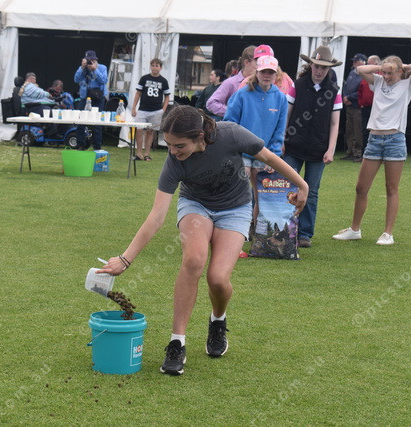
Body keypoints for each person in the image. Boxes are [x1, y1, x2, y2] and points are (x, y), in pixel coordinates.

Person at [97, 106, 308, 376]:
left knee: (218, 279)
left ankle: (218, 319)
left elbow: (267, 156)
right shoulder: (174, 162)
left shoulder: (231, 134)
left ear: (199, 136)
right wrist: (125, 259)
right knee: (194, 260)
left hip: (235, 207)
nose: (173, 151)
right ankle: (177, 342)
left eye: (179, 145)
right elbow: (156, 217)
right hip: (195, 205)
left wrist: (302, 185)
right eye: (168, 144)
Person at [333, 56, 411, 245]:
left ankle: (387, 234)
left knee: (391, 188)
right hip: (374, 139)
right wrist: (383, 67)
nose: (386, 76)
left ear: (400, 71)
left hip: (395, 139)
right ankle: (354, 230)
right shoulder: (378, 81)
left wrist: (400, 66)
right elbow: (360, 70)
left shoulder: (408, 85)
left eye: (391, 73)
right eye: (384, 72)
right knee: (361, 188)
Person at [283, 46, 343, 248]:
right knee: (288, 186)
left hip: (319, 149)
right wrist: (282, 139)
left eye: (324, 68)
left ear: (329, 69)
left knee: (312, 191)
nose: (319, 71)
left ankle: (305, 234)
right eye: (317, 66)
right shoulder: (298, 85)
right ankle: (284, 228)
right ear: (311, 65)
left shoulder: (334, 91)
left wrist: (331, 148)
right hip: (293, 145)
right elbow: (287, 113)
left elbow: (335, 123)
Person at [225, 55, 288, 235]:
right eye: (263, 71)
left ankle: (257, 233)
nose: (267, 75)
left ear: (276, 74)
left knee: (262, 196)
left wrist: (273, 157)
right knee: (241, 194)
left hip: (264, 154)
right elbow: (230, 123)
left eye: (271, 72)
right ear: (257, 72)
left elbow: (279, 131)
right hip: (242, 153)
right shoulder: (242, 94)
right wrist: (235, 151)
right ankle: (238, 231)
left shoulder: (281, 98)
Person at [131, 58, 171, 161]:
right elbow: (138, 93)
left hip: (156, 110)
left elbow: (167, 96)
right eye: (152, 65)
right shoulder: (144, 78)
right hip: (143, 109)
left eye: (156, 66)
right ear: (150, 67)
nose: (154, 67)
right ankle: (139, 153)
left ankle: (147, 154)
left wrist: (163, 109)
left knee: (151, 132)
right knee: (139, 130)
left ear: (160, 68)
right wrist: (134, 107)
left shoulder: (163, 81)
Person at [206, 45, 257, 118]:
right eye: (257, 63)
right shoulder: (231, 83)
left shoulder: (265, 84)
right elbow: (211, 103)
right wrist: (233, 112)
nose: (261, 66)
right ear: (246, 62)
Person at [74, 50, 108, 150]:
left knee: (97, 123)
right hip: (85, 97)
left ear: (96, 60)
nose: (90, 62)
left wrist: (95, 70)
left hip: (98, 98)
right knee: (80, 121)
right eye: (88, 60)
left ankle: (97, 147)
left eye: (92, 60)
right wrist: (82, 67)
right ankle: (81, 145)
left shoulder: (102, 68)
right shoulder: (83, 69)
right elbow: (76, 79)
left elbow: (104, 80)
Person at [341, 53, 367, 161]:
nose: (354, 63)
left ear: (362, 62)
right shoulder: (352, 72)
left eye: (356, 61)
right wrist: (345, 97)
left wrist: (349, 97)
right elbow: (346, 86)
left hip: (357, 106)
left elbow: (362, 91)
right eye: (354, 61)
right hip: (349, 106)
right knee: (349, 130)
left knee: (357, 130)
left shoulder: (365, 74)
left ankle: (357, 152)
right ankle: (350, 151)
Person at [358, 55, 381, 156]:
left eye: (369, 63)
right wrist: (361, 103)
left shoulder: (382, 77)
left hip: (376, 109)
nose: (367, 65)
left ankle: (376, 154)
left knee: (376, 131)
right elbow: (360, 91)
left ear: (376, 64)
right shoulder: (365, 77)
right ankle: (364, 154)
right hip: (365, 108)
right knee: (364, 131)